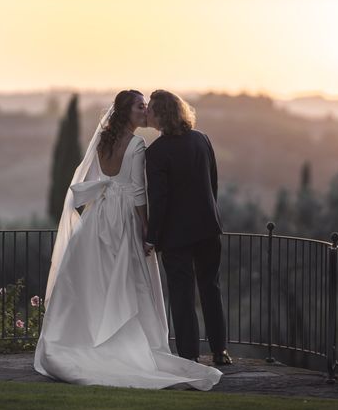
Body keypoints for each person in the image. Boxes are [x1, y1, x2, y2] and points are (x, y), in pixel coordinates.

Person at [34, 89, 222, 390]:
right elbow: (137, 194)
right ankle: (132, 344)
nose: (144, 111)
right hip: (129, 218)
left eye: (146, 107)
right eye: (139, 106)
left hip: (99, 216)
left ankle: (88, 338)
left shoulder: (103, 142)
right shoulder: (139, 144)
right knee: (132, 282)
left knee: (96, 282)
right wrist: (148, 230)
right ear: (127, 112)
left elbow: (103, 181)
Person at [144, 89, 232, 366]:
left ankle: (189, 356)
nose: (148, 114)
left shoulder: (156, 152)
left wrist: (151, 237)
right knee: (210, 288)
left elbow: (159, 200)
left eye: (151, 110)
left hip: (176, 236)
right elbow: (213, 184)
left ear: (161, 115)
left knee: (182, 296)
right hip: (208, 228)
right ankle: (220, 352)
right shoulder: (201, 139)